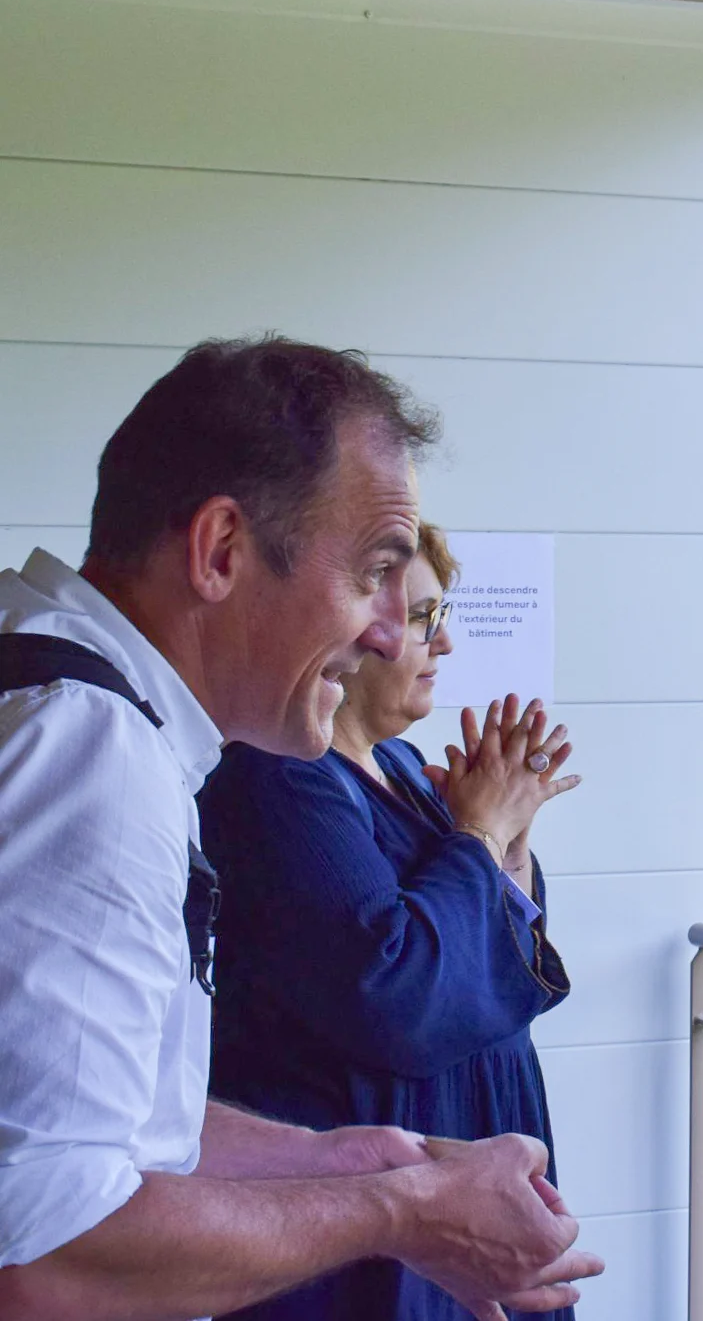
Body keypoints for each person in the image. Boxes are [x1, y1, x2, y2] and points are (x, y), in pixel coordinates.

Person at [0, 338, 601, 1320]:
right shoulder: (91, 755)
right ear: (222, 551)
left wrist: (351, 1157)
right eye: (374, 575)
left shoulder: (67, 701)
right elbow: (47, 1250)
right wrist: (399, 1213)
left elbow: (96, 1125)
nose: (385, 632)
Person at [199, 522, 581, 1321]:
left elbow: (512, 959)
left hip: (473, 1142)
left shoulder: (404, 767)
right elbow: (395, 992)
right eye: (421, 621)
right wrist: (477, 834)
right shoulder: (277, 778)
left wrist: (513, 830)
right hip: (366, 1199)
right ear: (352, 632)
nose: (442, 646)